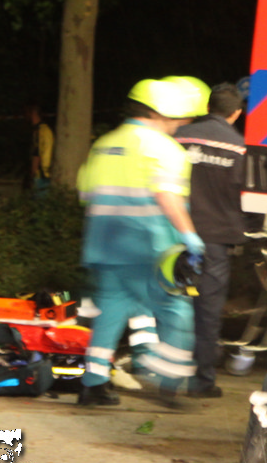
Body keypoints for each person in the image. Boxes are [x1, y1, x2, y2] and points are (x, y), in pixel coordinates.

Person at [76, 78, 202, 407]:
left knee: (110, 313)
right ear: (162, 112)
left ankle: (93, 384)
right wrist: (189, 237)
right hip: (149, 247)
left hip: (103, 247)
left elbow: (85, 193)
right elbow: (167, 196)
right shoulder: (163, 148)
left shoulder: (104, 144)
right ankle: (170, 385)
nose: (182, 122)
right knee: (176, 311)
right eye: (179, 116)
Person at [174, 83, 248, 398]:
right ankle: (202, 382)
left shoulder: (179, 136)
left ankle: (165, 375)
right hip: (216, 238)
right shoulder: (239, 146)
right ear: (237, 113)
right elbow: (246, 196)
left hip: (175, 233)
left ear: (208, 107)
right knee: (207, 309)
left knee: (170, 303)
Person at [25, 104, 53, 193]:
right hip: (47, 172)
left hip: (41, 174)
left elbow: (36, 153)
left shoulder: (39, 131)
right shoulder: (46, 129)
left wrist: (32, 174)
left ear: (33, 114)